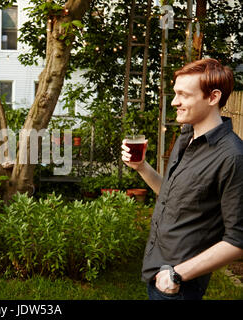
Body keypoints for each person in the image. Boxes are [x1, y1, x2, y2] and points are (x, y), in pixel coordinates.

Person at [121, 58, 243, 300]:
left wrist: (176, 275)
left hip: (178, 287)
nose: (175, 102)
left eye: (183, 95)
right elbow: (170, 194)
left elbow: (237, 240)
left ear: (212, 97)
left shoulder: (233, 157)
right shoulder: (186, 136)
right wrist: (141, 167)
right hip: (157, 272)